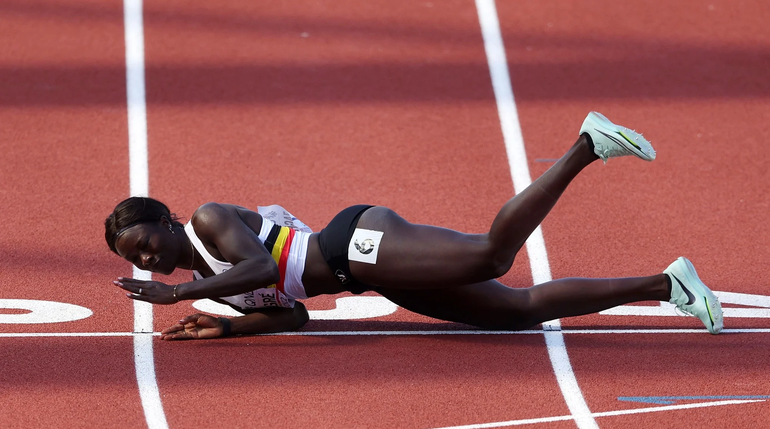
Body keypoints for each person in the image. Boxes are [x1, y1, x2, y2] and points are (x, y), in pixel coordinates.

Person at [105, 112, 723, 340]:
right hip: (365, 275)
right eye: (137, 259)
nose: (148, 259)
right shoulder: (217, 281)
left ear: (165, 219)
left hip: (354, 240)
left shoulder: (210, 221)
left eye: (145, 243)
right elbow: (295, 313)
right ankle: (670, 286)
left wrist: (181, 294)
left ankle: (588, 145)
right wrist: (227, 326)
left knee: (491, 256)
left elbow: (266, 266)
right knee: (516, 312)